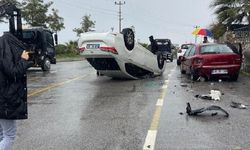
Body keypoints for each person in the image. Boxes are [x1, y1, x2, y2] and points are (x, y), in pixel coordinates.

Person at [0, 33, 33, 150]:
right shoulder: (4, 48)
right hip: (4, 100)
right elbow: (13, 73)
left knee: (2, 135)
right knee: (9, 135)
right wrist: (23, 60)